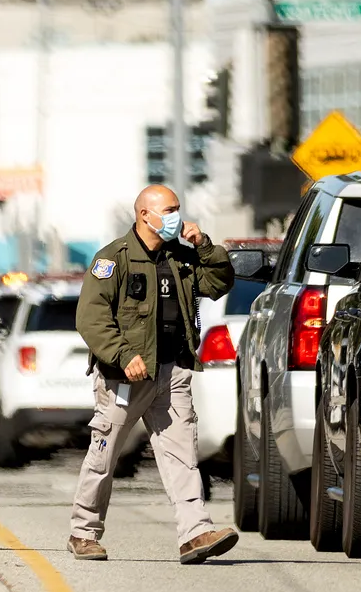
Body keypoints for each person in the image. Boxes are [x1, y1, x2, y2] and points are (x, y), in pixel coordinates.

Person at [68, 184, 239, 564]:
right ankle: (84, 531)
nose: (177, 216)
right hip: (125, 379)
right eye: (170, 209)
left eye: (178, 208)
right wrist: (122, 354)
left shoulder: (181, 257)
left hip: (172, 372)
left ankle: (195, 533)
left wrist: (205, 246)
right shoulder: (113, 258)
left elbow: (219, 283)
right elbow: (91, 318)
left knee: (183, 455)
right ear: (145, 214)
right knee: (105, 453)